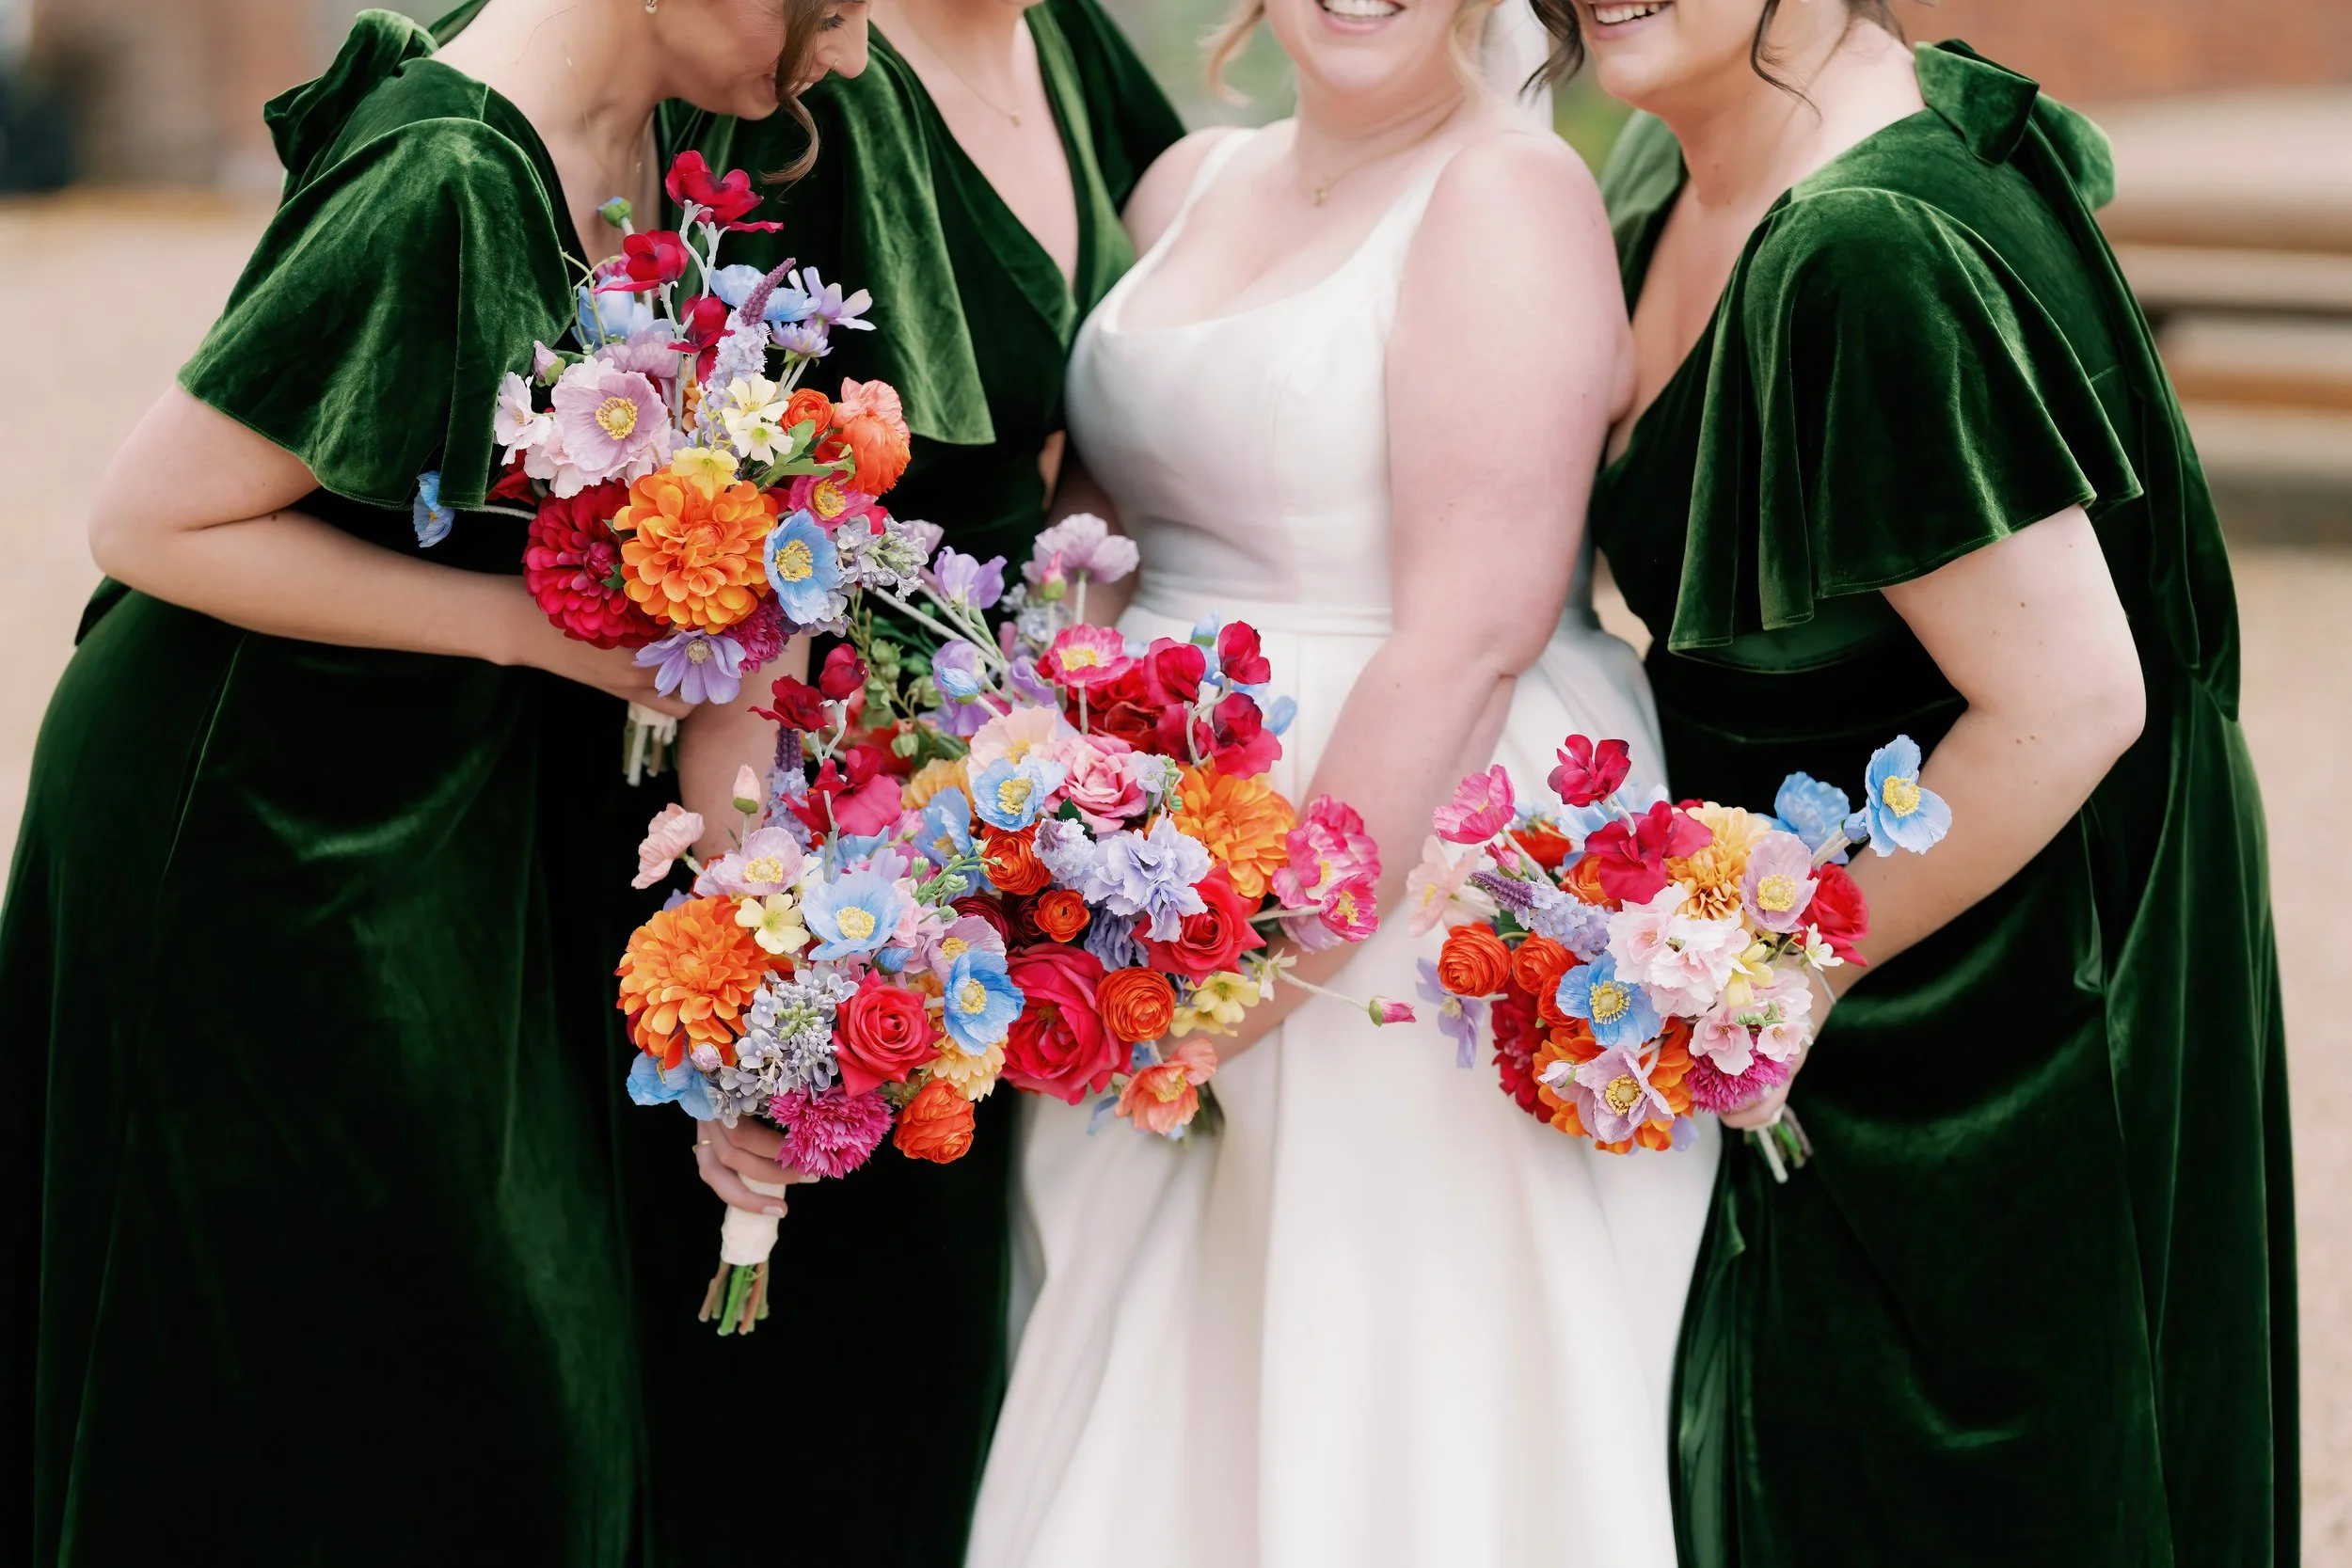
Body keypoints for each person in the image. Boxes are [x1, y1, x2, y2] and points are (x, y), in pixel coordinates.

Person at [3, 1, 861, 1559]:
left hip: (443, 799)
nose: (850, 57)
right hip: (254, 822)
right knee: (330, 1395)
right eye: (839, 7)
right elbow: (148, 520)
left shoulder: (665, 128)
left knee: (474, 1400)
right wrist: (535, 633)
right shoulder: (448, 171)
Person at [965, 3, 1716, 1564]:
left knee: (1366, 1394)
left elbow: (1471, 635)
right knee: (1145, 1391)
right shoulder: (1185, 183)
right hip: (1137, 869)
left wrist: (1240, 984)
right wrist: (1039, 824)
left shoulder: (1508, 196)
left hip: (1394, 866)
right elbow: (1096, 538)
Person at [1572, 1, 2295, 1561]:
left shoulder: (1865, 244)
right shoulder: (1676, 146)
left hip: (1992, 975)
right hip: (1857, 916)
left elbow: (2069, 701)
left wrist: (1773, 972)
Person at [640, 5, 1184, 1565]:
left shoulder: (1069, 42)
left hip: (1012, 831)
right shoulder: (799, 86)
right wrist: (758, 982)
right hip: (819, 842)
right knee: (820, 1402)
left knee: (959, 1382)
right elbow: (728, 547)